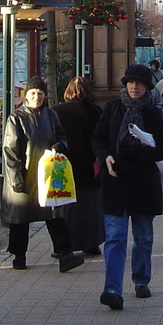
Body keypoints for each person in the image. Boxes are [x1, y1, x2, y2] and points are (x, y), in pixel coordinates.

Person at [91, 64, 163, 310]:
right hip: (115, 179)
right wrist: (106, 157)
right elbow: (98, 137)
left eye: (139, 83)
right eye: (130, 82)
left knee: (143, 236)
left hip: (143, 182)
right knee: (114, 236)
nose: (134, 87)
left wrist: (140, 153)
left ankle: (141, 279)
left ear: (147, 86)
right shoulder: (114, 108)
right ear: (125, 85)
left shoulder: (153, 113)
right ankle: (112, 289)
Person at [0, 77, 85, 272]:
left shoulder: (50, 115)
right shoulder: (16, 118)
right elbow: (10, 151)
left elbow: (61, 135)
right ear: (26, 96)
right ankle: (18, 256)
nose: (37, 97)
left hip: (46, 175)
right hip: (24, 176)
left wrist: (60, 146)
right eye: (32, 93)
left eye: (40, 93)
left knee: (54, 215)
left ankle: (65, 255)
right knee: (20, 218)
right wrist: (16, 179)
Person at [52, 76, 105, 256]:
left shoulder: (57, 111)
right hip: (90, 166)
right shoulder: (96, 111)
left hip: (65, 166)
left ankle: (67, 245)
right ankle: (92, 243)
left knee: (67, 208)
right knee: (92, 207)